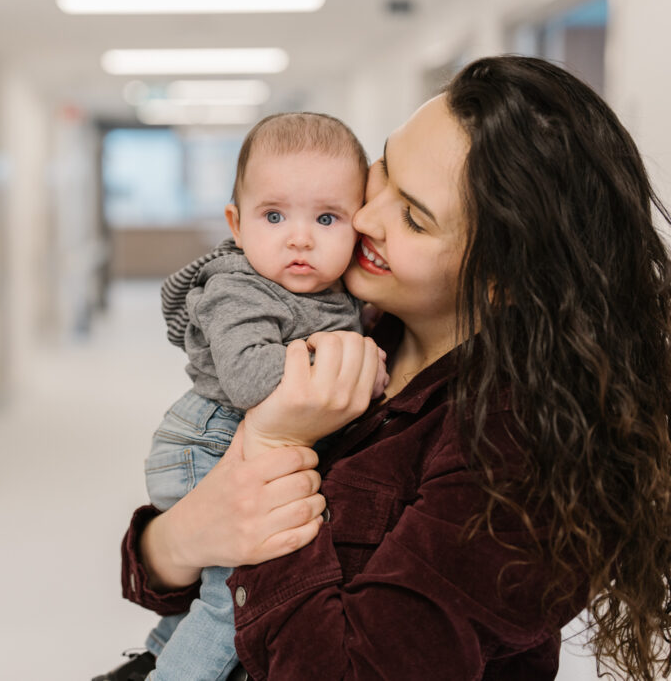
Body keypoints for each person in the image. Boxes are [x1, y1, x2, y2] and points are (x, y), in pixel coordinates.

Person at [105, 55, 671, 680]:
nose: (364, 217)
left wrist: (275, 445)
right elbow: (168, 572)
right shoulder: (356, 324)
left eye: (413, 216)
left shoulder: (520, 449)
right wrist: (179, 540)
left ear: (501, 282)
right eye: (384, 171)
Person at [120, 112, 389, 681]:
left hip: (223, 435)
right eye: (274, 215)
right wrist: (345, 364)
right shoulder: (237, 288)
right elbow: (248, 378)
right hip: (208, 441)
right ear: (236, 225)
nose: (300, 237)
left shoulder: (326, 286)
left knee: (218, 579)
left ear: (357, 228)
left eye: (326, 217)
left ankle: (154, 655)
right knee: (232, 603)